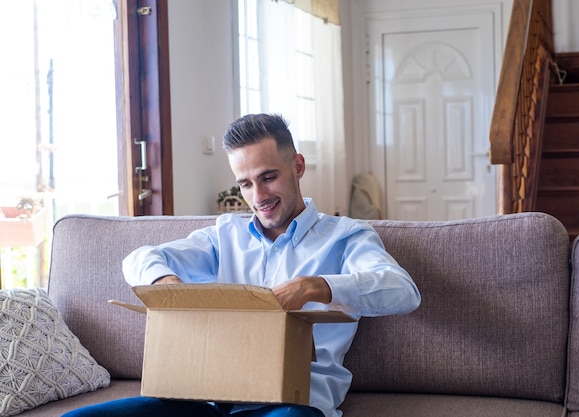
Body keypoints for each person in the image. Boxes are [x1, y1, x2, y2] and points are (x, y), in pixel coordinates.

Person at [62, 113, 420, 417]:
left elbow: (402, 291)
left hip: (293, 401)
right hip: (206, 398)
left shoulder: (345, 236)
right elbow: (139, 258)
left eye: (268, 177)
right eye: (246, 184)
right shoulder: (225, 234)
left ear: (297, 166)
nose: (258, 197)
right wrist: (165, 282)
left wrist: (316, 286)